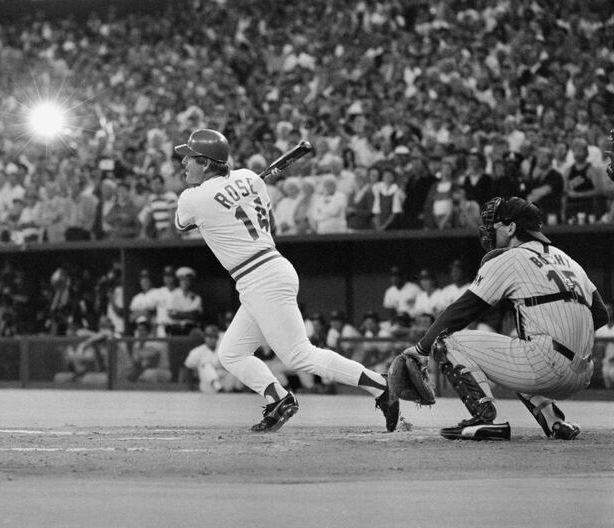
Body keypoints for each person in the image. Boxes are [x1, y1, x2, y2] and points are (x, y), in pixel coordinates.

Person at [173, 128, 399, 433]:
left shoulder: (192, 197)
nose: (183, 162)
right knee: (231, 353)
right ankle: (279, 399)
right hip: (267, 270)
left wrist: (219, 206)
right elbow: (261, 216)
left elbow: (182, 225)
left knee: (299, 355)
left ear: (204, 163)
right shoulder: (250, 177)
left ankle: (380, 385)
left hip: (260, 276)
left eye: (189, 157)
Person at [400, 197, 609, 441]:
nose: (489, 229)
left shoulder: (509, 258)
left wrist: (421, 348)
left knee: (446, 342)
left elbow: (462, 311)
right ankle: (555, 422)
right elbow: (600, 315)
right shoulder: (567, 259)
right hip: (583, 373)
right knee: (523, 348)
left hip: (547, 367)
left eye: (494, 225)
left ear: (511, 228)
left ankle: (485, 419)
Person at [183, 324, 242, 393]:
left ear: (217, 338)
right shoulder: (197, 351)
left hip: (225, 383)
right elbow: (188, 368)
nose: (211, 339)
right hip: (209, 387)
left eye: (213, 337)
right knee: (205, 366)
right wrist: (191, 387)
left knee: (236, 365)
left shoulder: (224, 349)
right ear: (204, 337)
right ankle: (219, 389)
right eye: (208, 336)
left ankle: (237, 390)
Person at [595, 301, 614, 389]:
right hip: (603, 358)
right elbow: (595, 343)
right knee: (606, 375)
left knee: (612, 374)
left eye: (609, 310)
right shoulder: (600, 327)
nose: (608, 312)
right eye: (606, 310)